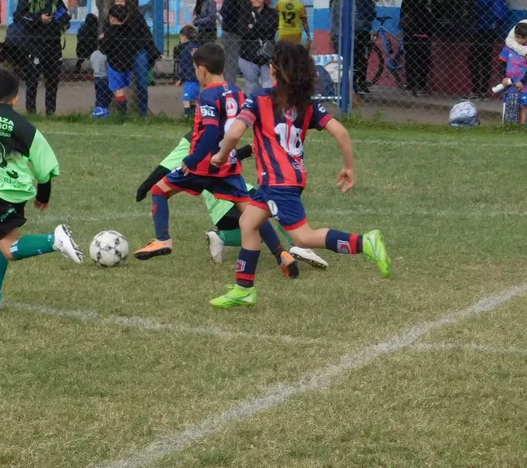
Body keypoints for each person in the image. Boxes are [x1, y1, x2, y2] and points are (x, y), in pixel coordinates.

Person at [208, 42, 391, 309]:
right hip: (287, 180)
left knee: (303, 238)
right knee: (248, 222)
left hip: (278, 184)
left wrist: (221, 156)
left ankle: (365, 243)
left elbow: (235, 133)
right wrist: (349, 167)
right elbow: (341, 132)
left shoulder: (259, 99)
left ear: (273, 69)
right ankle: (244, 288)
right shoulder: (307, 105)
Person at [132, 42, 299, 276]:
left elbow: (210, 132)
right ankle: (282, 253)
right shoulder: (237, 91)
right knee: (253, 213)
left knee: (159, 191)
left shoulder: (208, 95)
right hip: (228, 166)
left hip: (203, 165)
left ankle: (163, 240)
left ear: (202, 69)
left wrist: (192, 160)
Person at [0, 67, 84, 313]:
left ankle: (55, 241)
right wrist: (44, 193)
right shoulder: (23, 125)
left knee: (9, 248)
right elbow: (44, 161)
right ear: (15, 98)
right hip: (18, 189)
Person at [135, 130, 330, 269]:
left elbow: (165, 168)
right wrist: (145, 187)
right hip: (227, 191)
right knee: (270, 209)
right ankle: (294, 248)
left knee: (257, 222)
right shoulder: (209, 135)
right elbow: (167, 166)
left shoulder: (202, 135)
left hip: (218, 207)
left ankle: (218, 238)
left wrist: (145, 188)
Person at [6, 0, 71, 115]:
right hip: (34, 43)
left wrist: (64, 20)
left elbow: (62, 12)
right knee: (32, 79)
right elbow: (18, 16)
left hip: (53, 43)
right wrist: (38, 19)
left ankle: (50, 112)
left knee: (53, 78)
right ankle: (31, 111)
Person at [113, 0, 160, 115]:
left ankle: (143, 113)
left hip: (138, 52)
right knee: (118, 85)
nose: (119, 3)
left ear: (126, 2)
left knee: (142, 84)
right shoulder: (111, 16)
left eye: (121, 1)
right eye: (117, 1)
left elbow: (145, 34)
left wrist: (152, 51)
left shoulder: (136, 16)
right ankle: (121, 113)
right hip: (119, 54)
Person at [468, 0, 511, 99]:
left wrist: (472, 14)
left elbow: (480, 8)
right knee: (486, 59)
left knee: (474, 59)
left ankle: (476, 90)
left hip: (481, 29)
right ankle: (483, 91)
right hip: (492, 29)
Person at [99, 3, 145, 115]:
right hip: (128, 63)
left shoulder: (110, 32)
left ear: (113, 18)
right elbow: (136, 46)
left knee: (118, 90)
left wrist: (102, 40)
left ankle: (122, 114)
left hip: (115, 65)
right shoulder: (131, 31)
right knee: (124, 88)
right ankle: (125, 110)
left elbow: (104, 49)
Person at [498, 22, 527, 125]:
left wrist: (523, 82)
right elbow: (502, 63)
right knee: (510, 104)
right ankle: (510, 125)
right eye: (518, 37)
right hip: (510, 82)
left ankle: (522, 127)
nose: (520, 40)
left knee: (523, 106)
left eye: (523, 38)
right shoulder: (509, 47)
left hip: (523, 84)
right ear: (514, 35)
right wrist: (503, 78)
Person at [239, 0, 276, 91]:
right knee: (252, 87)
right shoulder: (244, 13)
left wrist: (253, 27)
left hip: (267, 55)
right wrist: (262, 28)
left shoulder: (272, 13)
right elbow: (243, 33)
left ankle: (267, 106)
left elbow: (271, 31)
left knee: (269, 86)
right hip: (248, 55)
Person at [400, 0, 433, 96]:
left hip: (410, 39)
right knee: (423, 63)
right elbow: (431, 26)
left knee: (410, 62)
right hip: (423, 40)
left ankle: (411, 85)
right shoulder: (425, 11)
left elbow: (403, 25)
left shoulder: (406, 11)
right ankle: (421, 86)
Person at [219, 0, 248, 82]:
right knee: (233, 60)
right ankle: (229, 84)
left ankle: (224, 81)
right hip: (235, 32)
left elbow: (222, 12)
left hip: (226, 30)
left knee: (227, 58)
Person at [353, 0, 377, 94]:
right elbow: (372, 15)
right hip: (363, 33)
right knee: (363, 59)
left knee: (357, 59)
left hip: (357, 33)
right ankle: (360, 84)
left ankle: (355, 84)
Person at [176, 24, 200, 117]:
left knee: (186, 98)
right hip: (197, 77)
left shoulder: (185, 50)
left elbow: (184, 66)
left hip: (189, 78)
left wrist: (181, 78)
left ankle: (187, 115)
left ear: (184, 37)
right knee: (194, 98)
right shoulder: (197, 46)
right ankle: (194, 114)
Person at [90, 40, 112, 118]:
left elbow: (92, 63)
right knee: (106, 97)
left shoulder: (94, 53)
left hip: (96, 77)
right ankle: (103, 113)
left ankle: (98, 111)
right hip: (105, 77)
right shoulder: (106, 55)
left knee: (99, 95)